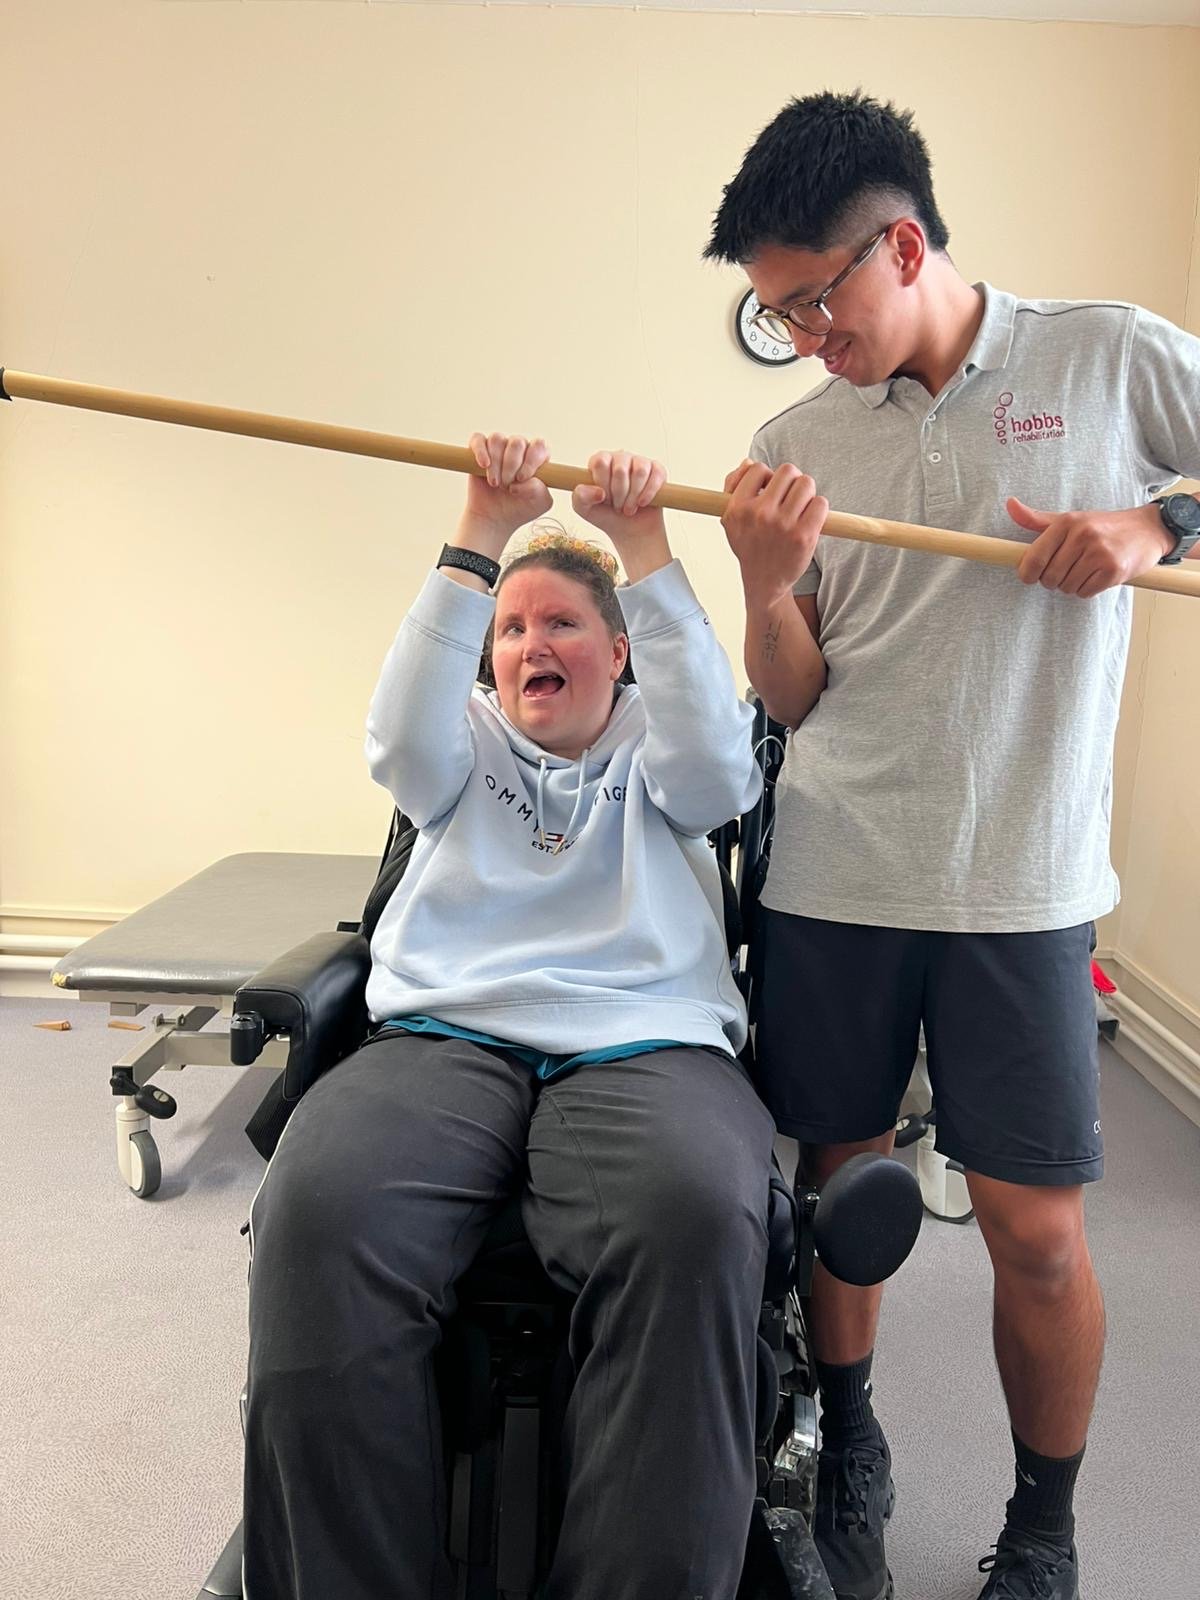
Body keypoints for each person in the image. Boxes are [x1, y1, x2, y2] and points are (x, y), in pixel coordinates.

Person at [703, 89, 1200, 1600]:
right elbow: (794, 694)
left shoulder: (1108, 354)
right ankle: (850, 1440)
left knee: (1033, 1232)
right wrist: (768, 581)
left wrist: (1154, 527)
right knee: (840, 1184)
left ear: (899, 245)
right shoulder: (796, 440)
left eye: (809, 302)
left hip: (1024, 886)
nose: (800, 338)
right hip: (841, 876)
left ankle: (1041, 1532)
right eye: (770, 314)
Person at [241, 432, 775, 1600]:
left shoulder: (667, 753)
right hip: (446, 1032)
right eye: (512, 629)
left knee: (692, 1218)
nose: (535, 642)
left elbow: (723, 782)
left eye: (565, 624)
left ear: (620, 651)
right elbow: (394, 736)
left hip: (645, 1039)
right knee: (321, 1210)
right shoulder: (456, 749)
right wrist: (480, 534)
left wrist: (645, 545)